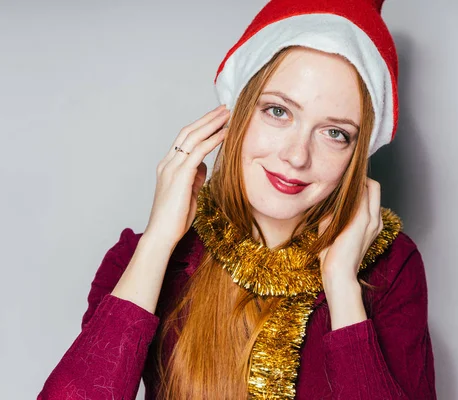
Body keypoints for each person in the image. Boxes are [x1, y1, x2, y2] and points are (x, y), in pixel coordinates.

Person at [38, 0, 436, 398]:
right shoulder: (142, 260)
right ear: (235, 114)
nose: (297, 156)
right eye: (278, 111)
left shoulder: (391, 270)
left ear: (357, 154)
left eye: (335, 133)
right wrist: (158, 241)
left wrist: (343, 289)